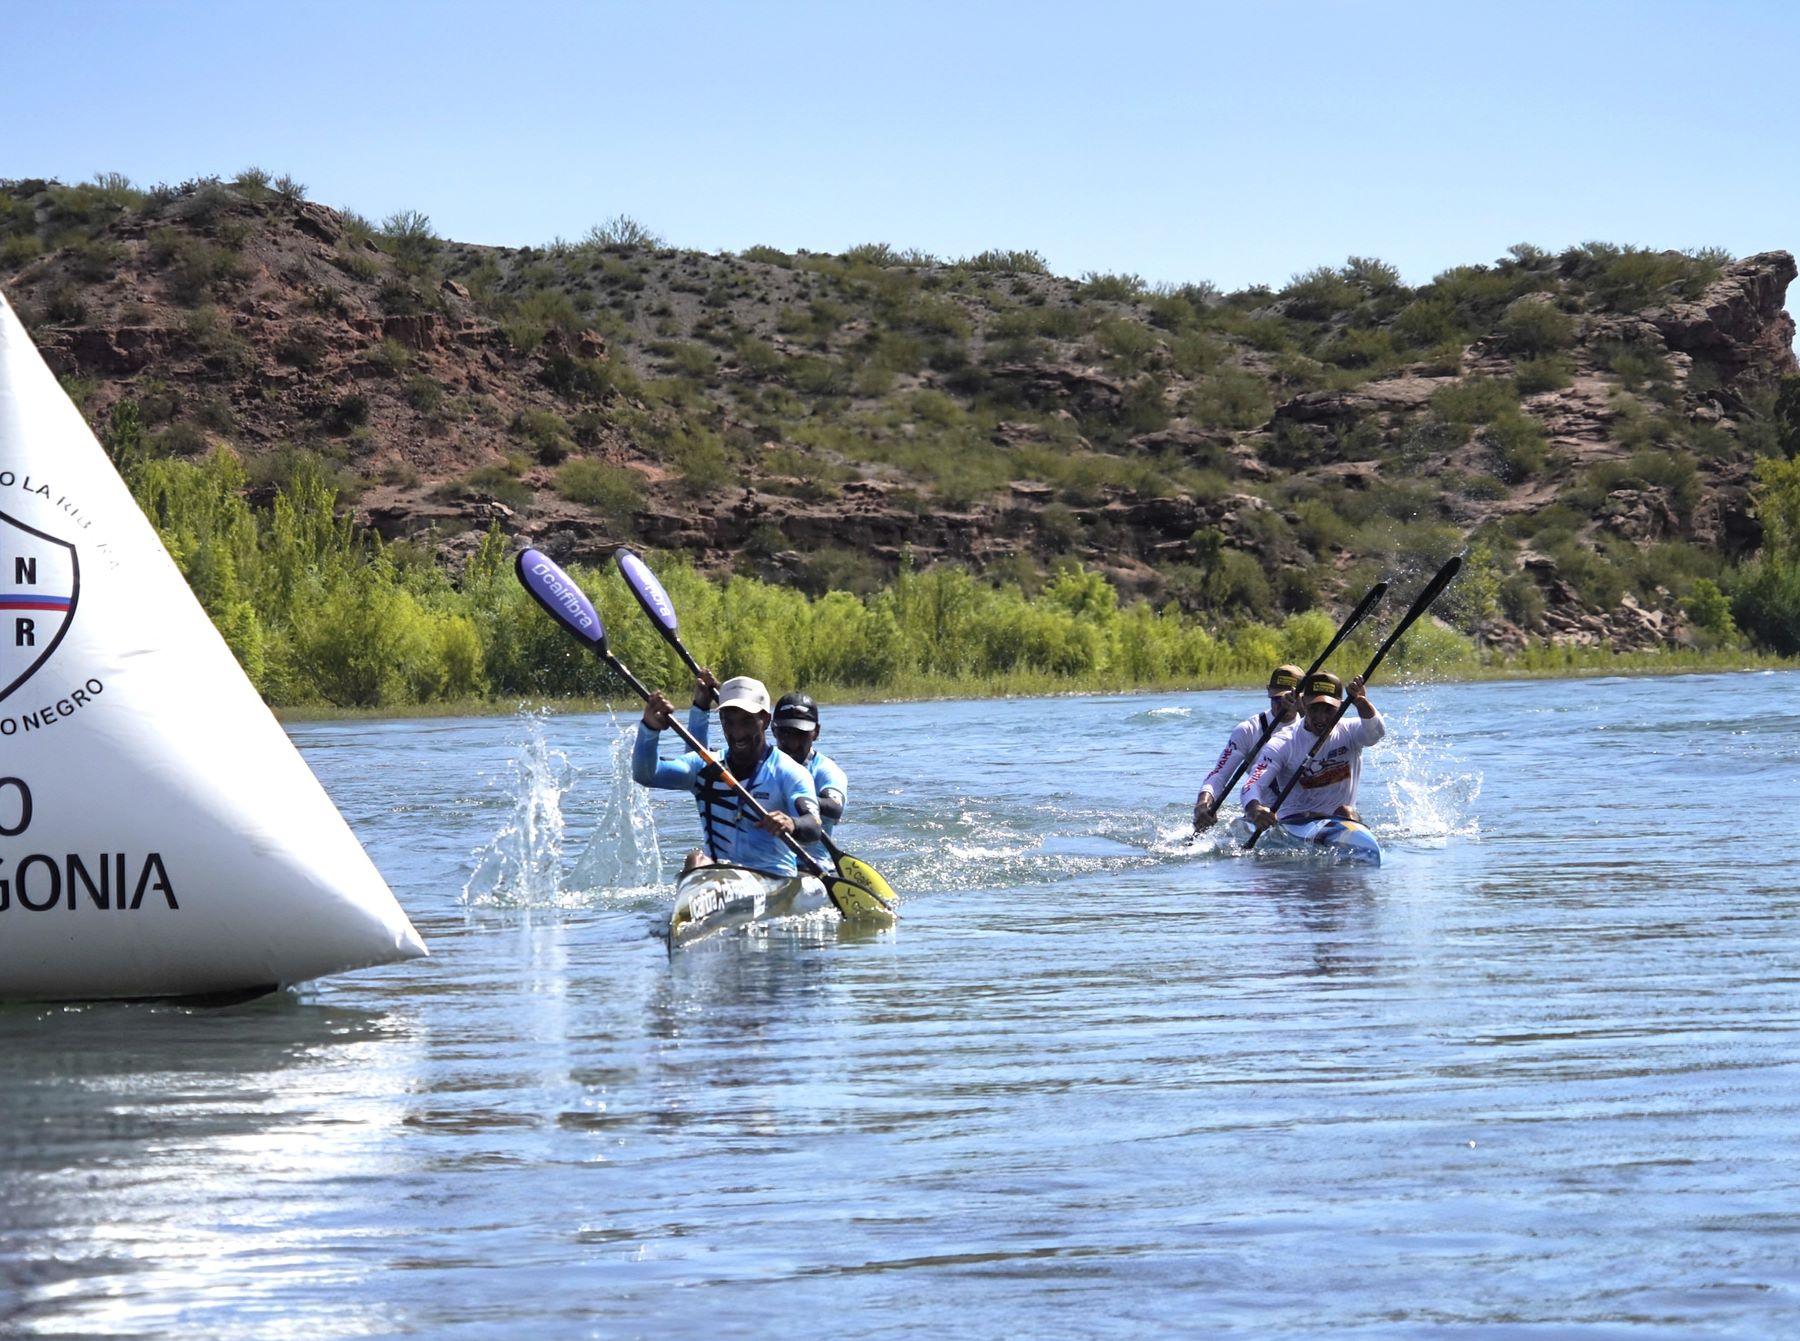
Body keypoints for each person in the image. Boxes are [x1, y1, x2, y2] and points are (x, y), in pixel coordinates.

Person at [633, 673, 821, 877]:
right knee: (695, 860)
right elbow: (646, 775)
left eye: (746, 721)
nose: (737, 732)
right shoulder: (703, 767)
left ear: (765, 720)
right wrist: (650, 729)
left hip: (773, 879)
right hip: (719, 878)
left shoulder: (789, 772)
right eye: (728, 722)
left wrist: (792, 823)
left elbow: (814, 826)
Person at [686, 674, 848, 870]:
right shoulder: (762, 766)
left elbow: (834, 807)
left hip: (811, 868)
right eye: (785, 733)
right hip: (760, 869)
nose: (792, 743)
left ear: (816, 732)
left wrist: (792, 802)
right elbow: (695, 762)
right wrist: (701, 706)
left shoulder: (827, 770)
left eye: (801, 734)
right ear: (771, 728)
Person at [1239, 671, 1384, 831]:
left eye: (1328, 710)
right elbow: (1252, 785)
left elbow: (1376, 733)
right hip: (1296, 823)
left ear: (1341, 706)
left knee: (1346, 811)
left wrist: (1361, 703)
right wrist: (1255, 810)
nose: (1321, 718)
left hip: (1341, 822)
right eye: (1314, 709)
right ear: (1302, 703)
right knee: (1307, 815)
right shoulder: (1284, 742)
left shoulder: (1351, 731)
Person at [1192, 663, 1303, 831]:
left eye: (1290, 698)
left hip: (1302, 816)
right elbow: (1219, 775)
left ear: (1303, 698)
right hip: (1260, 817)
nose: (1283, 705)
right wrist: (1203, 803)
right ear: (1268, 692)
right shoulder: (1248, 730)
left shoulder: (1315, 728)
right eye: (1276, 699)